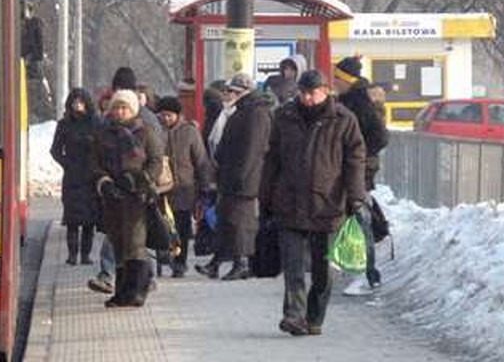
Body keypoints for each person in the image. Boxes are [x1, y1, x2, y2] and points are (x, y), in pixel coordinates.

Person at [260, 70, 367, 336]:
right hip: (289, 200)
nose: (307, 98)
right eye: (303, 92)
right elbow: (271, 158)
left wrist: (356, 196)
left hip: (327, 204)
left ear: (325, 91)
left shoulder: (344, 119)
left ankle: (314, 317)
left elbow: (355, 160)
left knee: (323, 271)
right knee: (293, 265)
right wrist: (265, 196)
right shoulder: (284, 116)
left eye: (312, 92)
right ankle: (293, 316)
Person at [93, 90, 164, 308]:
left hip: (138, 197)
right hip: (113, 196)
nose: (120, 112)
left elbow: (156, 161)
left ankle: (137, 291)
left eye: (124, 108)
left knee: (135, 243)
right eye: (116, 107)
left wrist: (143, 180)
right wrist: (104, 182)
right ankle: (121, 292)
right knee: (118, 243)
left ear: (133, 110)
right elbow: (95, 163)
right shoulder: (104, 133)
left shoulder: (146, 132)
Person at [198, 72, 271, 281]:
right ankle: (217, 262)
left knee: (239, 221)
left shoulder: (255, 113)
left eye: (231, 91)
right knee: (225, 219)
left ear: (242, 92)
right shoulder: (242, 111)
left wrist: (241, 176)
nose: (227, 95)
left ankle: (241, 263)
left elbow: (252, 149)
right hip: (231, 175)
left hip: (244, 178)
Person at [333, 56, 390, 295]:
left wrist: (359, 156)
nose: (334, 81)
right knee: (352, 218)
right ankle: (358, 268)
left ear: (347, 79)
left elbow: (380, 137)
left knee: (360, 218)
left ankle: (369, 273)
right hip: (350, 167)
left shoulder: (360, 102)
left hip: (360, 170)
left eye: (337, 77)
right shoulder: (348, 99)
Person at [156, 96, 214, 278]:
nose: (166, 119)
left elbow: (201, 160)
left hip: (185, 189)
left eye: (169, 116)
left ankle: (180, 263)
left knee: (181, 228)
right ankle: (166, 255)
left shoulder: (189, 132)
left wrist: (205, 186)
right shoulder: (156, 131)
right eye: (163, 115)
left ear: (177, 115)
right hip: (162, 189)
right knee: (164, 226)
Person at [50, 88, 102, 266]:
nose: (77, 105)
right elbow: (55, 150)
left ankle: (86, 255)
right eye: (74, 102)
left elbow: (102, 147)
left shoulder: (96, 122)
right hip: (72, 176)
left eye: (80, 102)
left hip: (91, 175)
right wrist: (67, 163)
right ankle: (72, 254)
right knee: (72, 219)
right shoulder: (64, 124)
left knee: (89, 220)